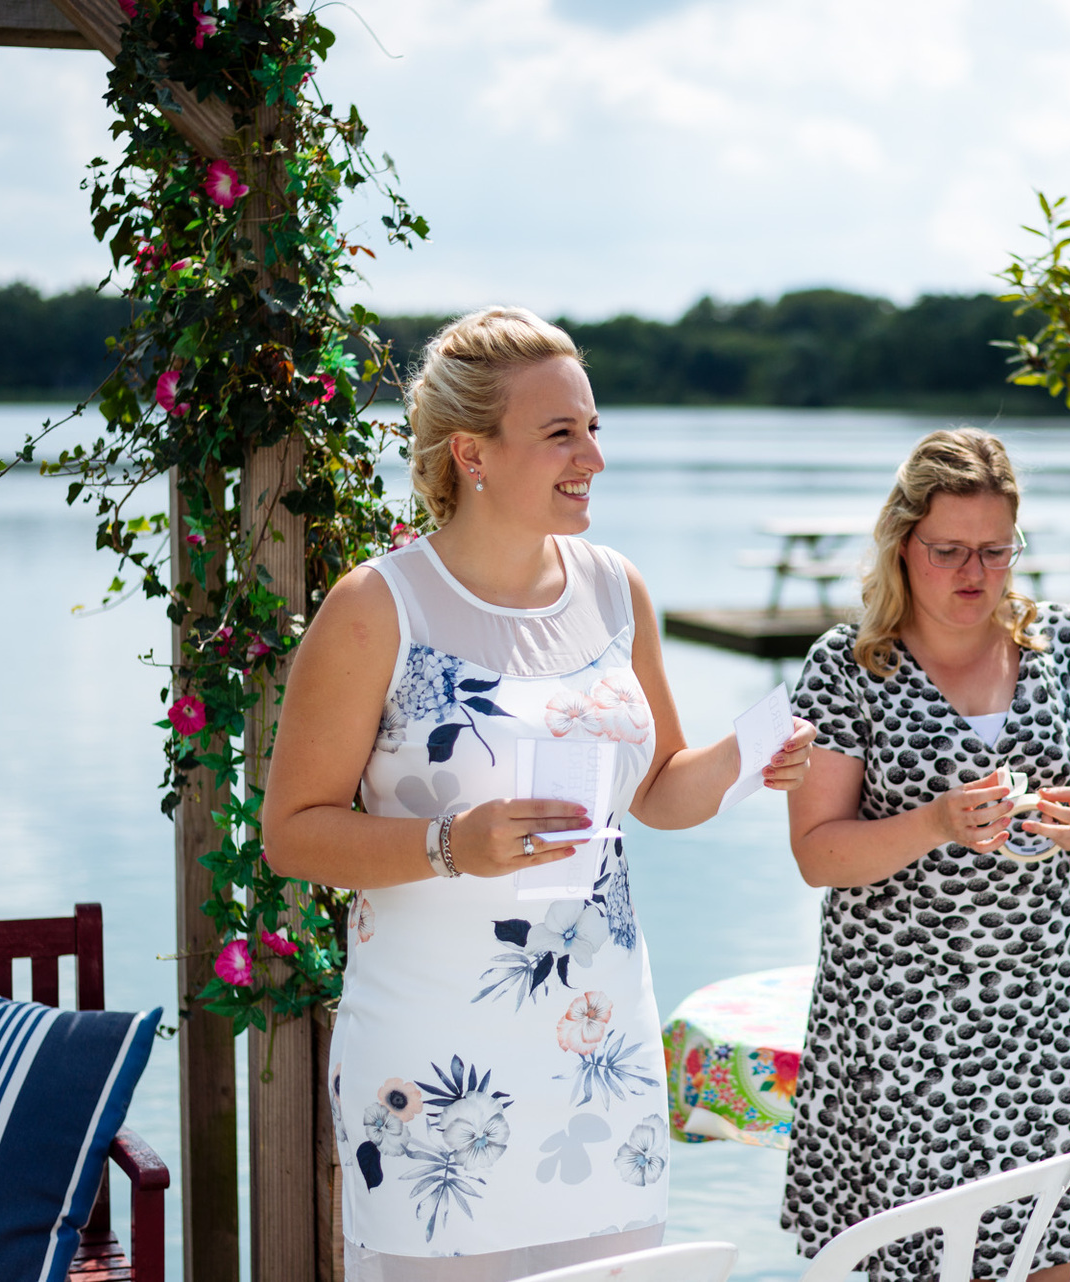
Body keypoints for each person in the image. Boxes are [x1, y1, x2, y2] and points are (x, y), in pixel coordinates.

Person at [261, 307, 815, 1281]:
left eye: (594, 426)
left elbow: (656, 788)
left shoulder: (613, 590)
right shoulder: (375, 608)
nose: (593, 455)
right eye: (562, 431)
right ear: (472, 452)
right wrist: (447, 845)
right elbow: (291, 834)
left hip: (601, 1058)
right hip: (435, 1066)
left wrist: (746, 759)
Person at [779, 428, 1070, 1282]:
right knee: (927, 1261)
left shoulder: (1065, 647)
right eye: (948, 550)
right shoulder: (846, 670)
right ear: (902, 543)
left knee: (1065, 1255)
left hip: (1058, 1016)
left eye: (995, 551)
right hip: (908, 1028)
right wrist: (937, 823)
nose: (974, 574)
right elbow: (818, 853)